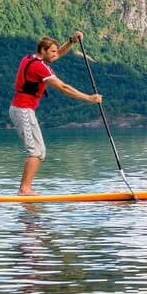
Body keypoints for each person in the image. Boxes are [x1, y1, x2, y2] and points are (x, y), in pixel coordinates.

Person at [10, 31, 102, 194]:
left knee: (40, 151)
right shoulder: (40, 67)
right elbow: (63, 88)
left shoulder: (30, 58)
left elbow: (58, 54)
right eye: (52, 51)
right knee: (35, 151)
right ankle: (24, 190)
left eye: (55, 50)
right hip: (22, 110)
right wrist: (89, 98)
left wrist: (72, 42)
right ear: (43, 51)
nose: (55, 53)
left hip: (23, 110)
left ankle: (25, 189)